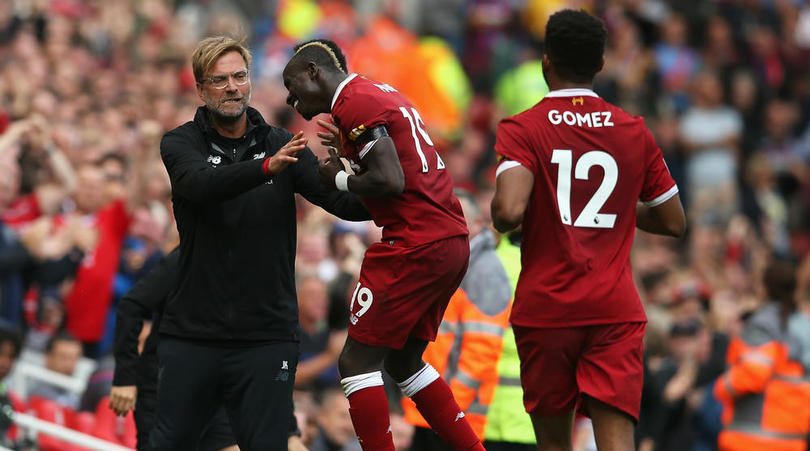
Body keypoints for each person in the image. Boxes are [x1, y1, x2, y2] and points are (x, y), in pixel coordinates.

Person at [152, 35, 367, 450]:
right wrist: (266, 168)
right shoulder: (180, 143)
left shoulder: (281, 142)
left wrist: (361, 168)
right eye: (219, 80)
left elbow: (343, 204)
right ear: (200, 89)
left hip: (267, 337)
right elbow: (200, 185)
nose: (232, 86)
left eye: (239, 76)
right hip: (195, 333)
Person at [490, 9, 686, 451]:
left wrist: (552, 204)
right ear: (601, 65)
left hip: (548, 309)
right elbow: (674, 222)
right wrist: (615, 207)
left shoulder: (523, 129)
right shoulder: (634, 131)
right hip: (614, 310)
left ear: (546, 62)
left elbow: (507, 212)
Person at [283, 39, 484, 451]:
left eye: (292, 84)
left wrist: (337, 177)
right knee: (403, 362)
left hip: (415, 242)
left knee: (355, 363)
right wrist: (351, 168)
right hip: (448, 239)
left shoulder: (354, 102)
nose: (290, 98)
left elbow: (389, 180)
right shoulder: (381, 93)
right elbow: (391, 188)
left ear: (313, 72)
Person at [402, 189, 511, 449]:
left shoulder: (484, 270)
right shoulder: (447, 260)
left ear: (477, 225)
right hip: (428, 405)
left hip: (451, 414)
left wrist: (444, 406)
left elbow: (481, 353)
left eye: (457, 216)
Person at [714, 259, 810, 451]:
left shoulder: (763, 324)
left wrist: (722, 387)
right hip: (792, 439)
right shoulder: (803, 326)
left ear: (765, 288)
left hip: (752, 439)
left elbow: (754, 373)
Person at [28, 331, 83, 409]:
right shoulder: (34, 391)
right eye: (63, 357)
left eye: (74, 359)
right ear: (48, 357)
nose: (69, 364)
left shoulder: (76, 397)